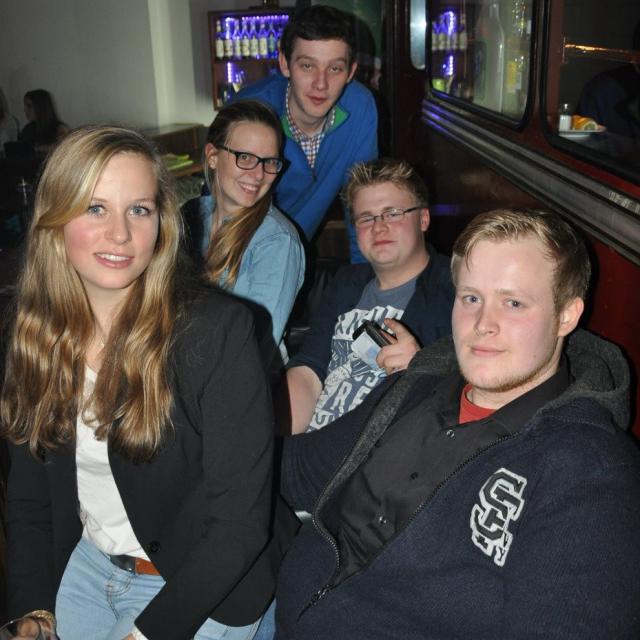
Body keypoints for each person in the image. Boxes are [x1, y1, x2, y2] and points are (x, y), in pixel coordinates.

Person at [273, 208, 640, 638]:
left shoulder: (589, 472)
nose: (483, 324)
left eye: (513, 303)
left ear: (566, 315)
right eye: (471, 298)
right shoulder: (418, 386)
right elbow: (300, 468)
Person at [1, 125, 298, 640]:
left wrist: (145, 634)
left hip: (200, 585)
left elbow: (238, 528)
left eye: (138, 209)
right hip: (88, 566)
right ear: (55, 220)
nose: (120, 234)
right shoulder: (33, 335)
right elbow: (29, 499)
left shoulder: (216, 332)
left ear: (161, 223)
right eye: (95, 208)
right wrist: (33, 608)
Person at [283, 158, 454, 434]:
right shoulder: (346, 282)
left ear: (423, 219)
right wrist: (275, 433)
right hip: (313, 440)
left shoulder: (455, 289)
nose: (379, 227)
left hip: (382, 450)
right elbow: (310, 369)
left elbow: (473, 392)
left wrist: (422, 370)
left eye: (393, 213)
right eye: (366, 218)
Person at [234, 5, 378, 263]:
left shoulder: (360, 107)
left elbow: (361, 205)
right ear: (284, 64)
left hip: (296, 255)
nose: (321, 84)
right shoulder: (249, 113)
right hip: (239, 255)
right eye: (308, 66)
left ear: (351, 72)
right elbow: (227, 218)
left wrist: (365, 278)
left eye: (335, 69)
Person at [183, 100, 305, 367]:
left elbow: (251, 350)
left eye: (269, 161)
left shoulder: (277, 241)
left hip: (236, 378)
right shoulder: (190, 216)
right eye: (245, 157)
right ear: (212, 156)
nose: (259, 174)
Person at [18, 89, 69, 154]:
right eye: (25, 106)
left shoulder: (59, 129)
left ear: (40, 107)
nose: (25, 110)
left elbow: (66, 148)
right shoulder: (27, 129)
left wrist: (42, 148)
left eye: (29, 106)